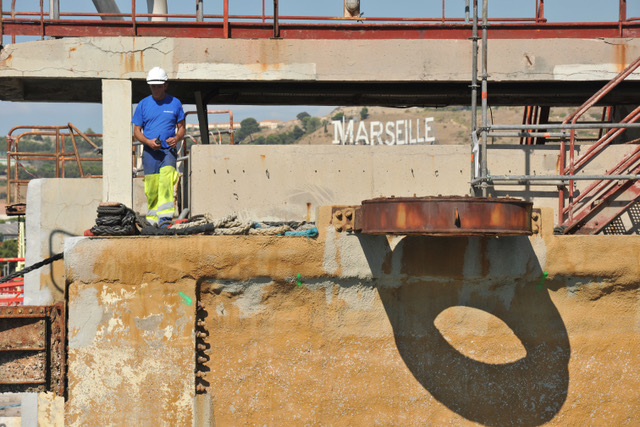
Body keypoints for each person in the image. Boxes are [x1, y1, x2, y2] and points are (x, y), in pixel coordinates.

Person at [132, 66, 185, 228]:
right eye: (153, 86)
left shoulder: (175, 103)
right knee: (152, 185)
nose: (155, 89)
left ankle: (165, 219)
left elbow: (182, 128)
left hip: (168, 151)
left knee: (167, 180)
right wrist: (148, 142)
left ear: (165, 85)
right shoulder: (143, 104)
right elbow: (137, 131)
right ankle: (153, 219)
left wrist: (176, 138)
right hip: (149, 152)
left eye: (158, 86)